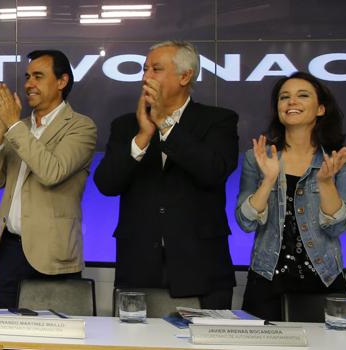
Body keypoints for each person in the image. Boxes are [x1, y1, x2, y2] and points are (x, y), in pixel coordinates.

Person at [93, 40, 239, 309]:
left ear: (185, 76)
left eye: (156, 69)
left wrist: (165, 125)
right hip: (138, 269)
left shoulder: (219, 120)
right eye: (145, 68)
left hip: (201, 269)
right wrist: (143, 136)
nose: (146, 76)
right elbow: (106, 183)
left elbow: (213, 171)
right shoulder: (126, 125)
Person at [0, 50, 97, 309]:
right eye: (28, 76)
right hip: (9, 252)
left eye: (38, 76)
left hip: (54, 255)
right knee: (4, 337)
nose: (29, 84)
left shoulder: (81, 127)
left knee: (54, 342)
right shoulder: (18, 128)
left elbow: (52, 172)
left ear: (62, 81)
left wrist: (12, 126)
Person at [236, 71, 346, 320]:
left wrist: (325, 183)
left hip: (324, 278)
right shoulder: (257, 157)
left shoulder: (342, 160)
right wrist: (268, 179)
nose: (291, 102)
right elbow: (245, 222)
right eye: (284, 97)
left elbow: (337, 227)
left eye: (302, 96)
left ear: (321, 109)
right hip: (266, 280)